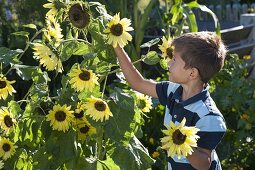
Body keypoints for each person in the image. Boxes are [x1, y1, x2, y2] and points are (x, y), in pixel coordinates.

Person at [113, 31, 227, 170]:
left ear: (192, 73)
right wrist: (118, 47)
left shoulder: (208, 116)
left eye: (174, 60)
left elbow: (204, 163)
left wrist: (183, 143)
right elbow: (138, 83)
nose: (168, 63)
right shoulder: (171, 91)